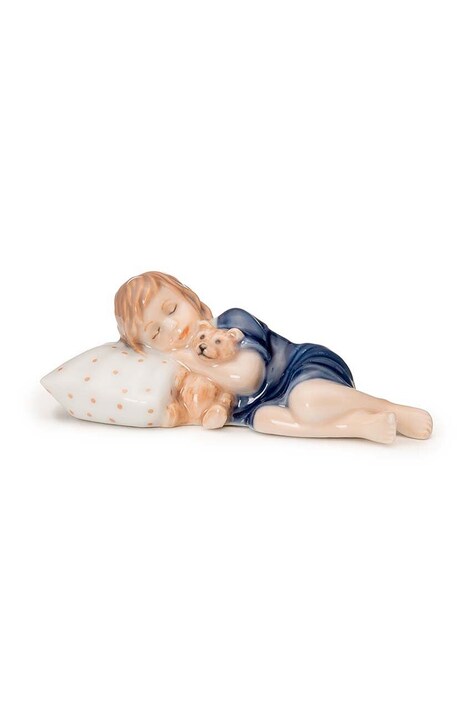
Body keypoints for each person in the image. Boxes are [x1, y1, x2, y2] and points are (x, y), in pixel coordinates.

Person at [114, 271, 433, 444]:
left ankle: (391, 408)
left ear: (194, 301)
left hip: (300, 369)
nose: (172, 327)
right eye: (156, 332)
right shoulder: (174, 370)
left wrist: (189, 357)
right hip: (265, 405)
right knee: (265, 421)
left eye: (172, 309)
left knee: (307, 402)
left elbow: (246, 378)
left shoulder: (232, 320)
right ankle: (359, 425)